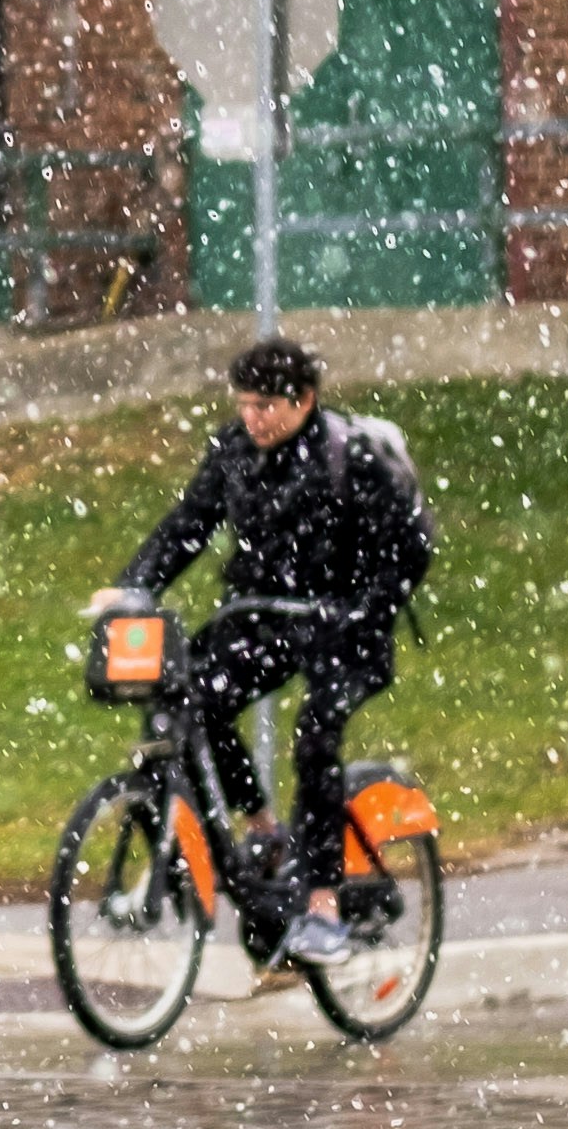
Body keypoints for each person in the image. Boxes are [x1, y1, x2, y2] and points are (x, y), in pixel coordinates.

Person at [105, 336, 434, 969]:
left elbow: (411, 544)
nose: (252, 418)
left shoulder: (349, 455)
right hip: (265, 617)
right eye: (244, 405)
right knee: (188, 696)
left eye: (265, 406)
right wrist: (136, 587)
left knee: (316, 737)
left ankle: (323, 905)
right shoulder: (234, 453)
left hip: (346, 627)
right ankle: (262, 830)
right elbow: (189, 524)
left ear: (303, 401)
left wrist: (368, 605)